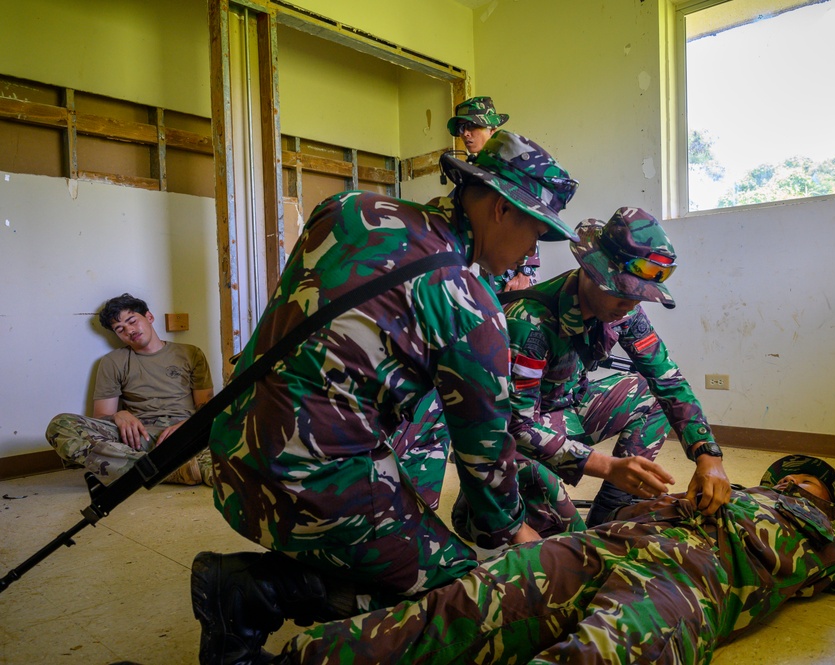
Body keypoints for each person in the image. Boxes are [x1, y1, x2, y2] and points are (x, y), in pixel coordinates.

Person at [193, 130, 580, 665]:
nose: (533, 251)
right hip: (312, 484)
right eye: (536, 232)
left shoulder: (347, 207)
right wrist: (516, 532)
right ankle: (261, 597)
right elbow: (486, 456)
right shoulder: (470, 307)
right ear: (500, 208)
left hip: (233, 451)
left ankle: (254, 584)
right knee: (463, 599)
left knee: (404, 539)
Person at [262, 454, 835, 664]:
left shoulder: (832, 544)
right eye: (782, 476)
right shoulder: (720, 487)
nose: (787, 484)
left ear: (827, 505)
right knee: (450, 611)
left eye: (805, 484)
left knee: (596, 658)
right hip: (602, 545)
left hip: (688, 587)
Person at [453, 207, 731, 540]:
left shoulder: (621, 311)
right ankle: (476, 513)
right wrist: (607, 467)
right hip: (518, 434)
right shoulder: (529, 321)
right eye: (622, 291)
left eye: (638, 295)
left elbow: (667, 379)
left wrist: (708, 454)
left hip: (567, 409)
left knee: (648, 394)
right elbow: (516, 425)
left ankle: (611, 512)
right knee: (571, 545)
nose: (630, 304)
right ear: (590, 270)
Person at [45, 293, 214, 486]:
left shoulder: (190, 353)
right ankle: (165, 470)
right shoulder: (112, 362)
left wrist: (189, 425)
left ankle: (157, 467)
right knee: (60, 426)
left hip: (186, 434)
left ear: (149, 317)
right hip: (137, 439)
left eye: (132, 321)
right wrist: (118, 415)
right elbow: (101, 415)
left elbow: (208, 407)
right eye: (120, 329)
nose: (130, 330)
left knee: (228, 473)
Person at [447, 95, 538, 293]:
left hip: (513, 272)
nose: (466, 134)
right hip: (484, 270)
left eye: (473, 126)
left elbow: (532, 217)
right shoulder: (471, 173)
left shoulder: (510, 167)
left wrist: (526, 272)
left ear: (492, 130)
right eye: (462, 128)